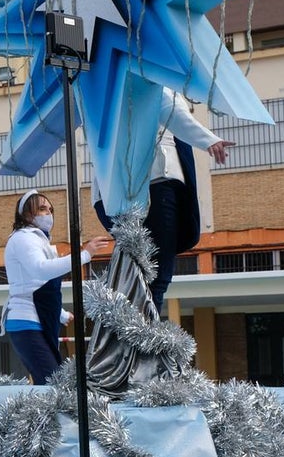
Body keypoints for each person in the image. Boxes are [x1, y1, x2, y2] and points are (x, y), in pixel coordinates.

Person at [93, 88, 232, 314]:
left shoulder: (111, 81)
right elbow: (171, 109)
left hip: (119, 190)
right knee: (155, 275)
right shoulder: (152, 76)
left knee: (142, 272)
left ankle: (140, 336)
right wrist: (208, 139)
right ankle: (146, 339)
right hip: (156, 183)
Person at [3, 190, 109, 385]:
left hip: (36, 319)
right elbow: (40, 271)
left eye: (50, 209)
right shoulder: (23, 238)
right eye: (42, 209)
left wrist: (60, 314)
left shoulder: (36, 239)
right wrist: (84, 255)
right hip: (26, 321)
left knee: (51, 382)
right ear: (26, 213)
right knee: (52, 383)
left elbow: (38, 285)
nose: (49, 214)